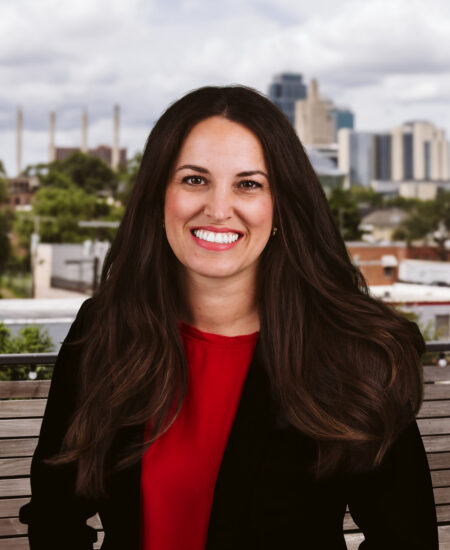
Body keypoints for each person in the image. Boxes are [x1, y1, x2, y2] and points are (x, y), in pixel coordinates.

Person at [20, 86, 438, 549]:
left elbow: (406, 539)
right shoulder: (104, 332)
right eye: (194, 179)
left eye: (249, 184)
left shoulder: (352, 355)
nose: (218, 210)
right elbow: (55, 516)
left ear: (280, 206)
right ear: (159, 195)